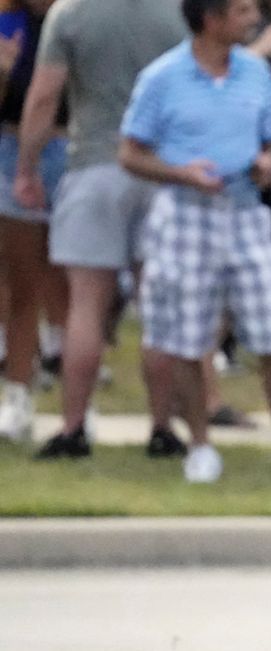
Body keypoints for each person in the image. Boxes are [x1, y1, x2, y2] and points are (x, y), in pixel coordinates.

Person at [118, 0, 271, 484]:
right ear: (211, 19)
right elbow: (129, 152)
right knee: (188, 338)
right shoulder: (161, 78)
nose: (253, 18)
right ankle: (201, 446)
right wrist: (180, 174)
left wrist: (269, 161)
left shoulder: (255, 75)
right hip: (185, 216)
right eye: (242, 10)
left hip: (246, 213)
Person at [15, 0, 188, 459]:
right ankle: (162, 426)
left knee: (85, 305)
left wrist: (27, 167)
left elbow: (45, 95)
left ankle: (73, 427)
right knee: (159, 305)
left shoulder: (71, 13)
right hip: (161, 170)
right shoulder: (176, 12)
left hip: (93, 163)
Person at [0, 0, 67, 443]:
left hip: (72, 149)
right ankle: (18, 397)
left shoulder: (76, 19)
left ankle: (77, 409)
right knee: (22, 282)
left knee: (69, 284)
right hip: (10, 148)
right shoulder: (8, 21)